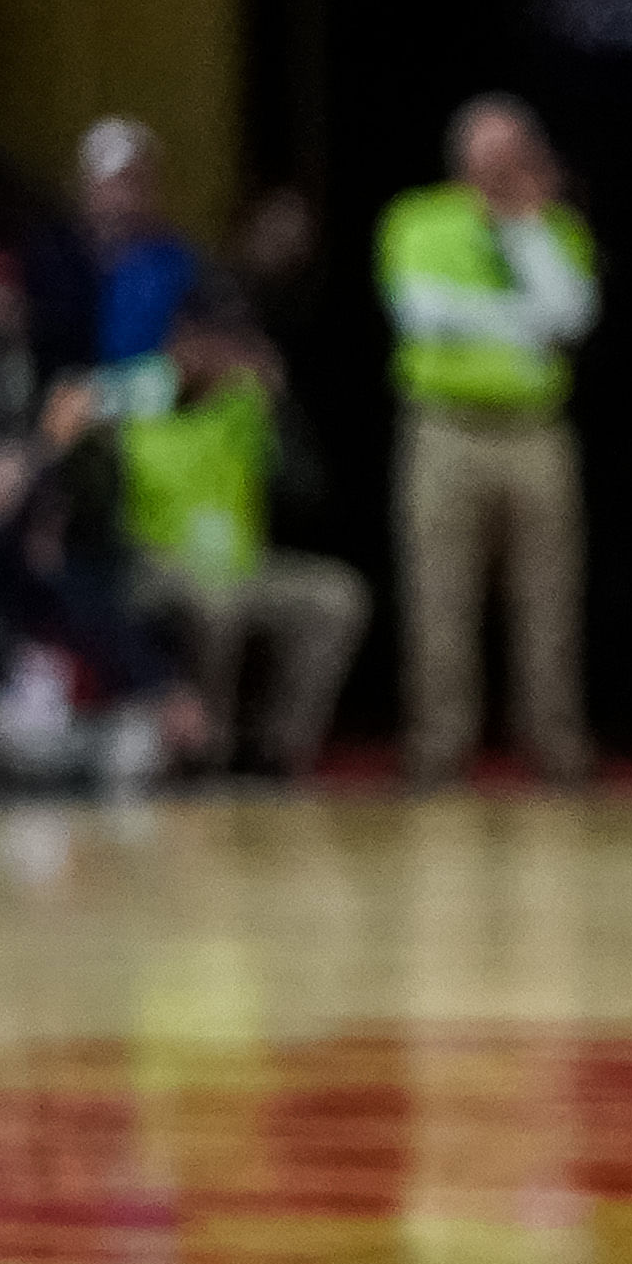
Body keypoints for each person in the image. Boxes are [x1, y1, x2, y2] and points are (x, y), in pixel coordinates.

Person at [379, 96, 601, 785]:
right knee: (439, 595)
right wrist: (522, 323)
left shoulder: (554, 230)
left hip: (535, 432)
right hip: (445, 428)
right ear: (463, 158)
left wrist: (526, 232)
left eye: (515, 152)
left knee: (550, 597)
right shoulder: (417, 220)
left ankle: (556, 748)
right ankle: (438, 748)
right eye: (490, 152)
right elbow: (426, 315)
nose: (502, 166)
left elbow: (572, 316)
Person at [107, 286, 373, 781]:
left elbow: (309, 493)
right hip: (153, 563)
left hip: (239, 563)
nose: (223, 355)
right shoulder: (134, 394)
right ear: (180, 340)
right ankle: (206, 756)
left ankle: (277, 752)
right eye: (211, 341)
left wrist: (280, 410)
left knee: (338, 596)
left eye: (233, 343)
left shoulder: (246, 402)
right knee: (217, 601)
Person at [78, 116, 206, 364]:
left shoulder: (178, 262)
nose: (128, 198)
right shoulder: (58, 258)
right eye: (119, 182)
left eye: (142, 182)